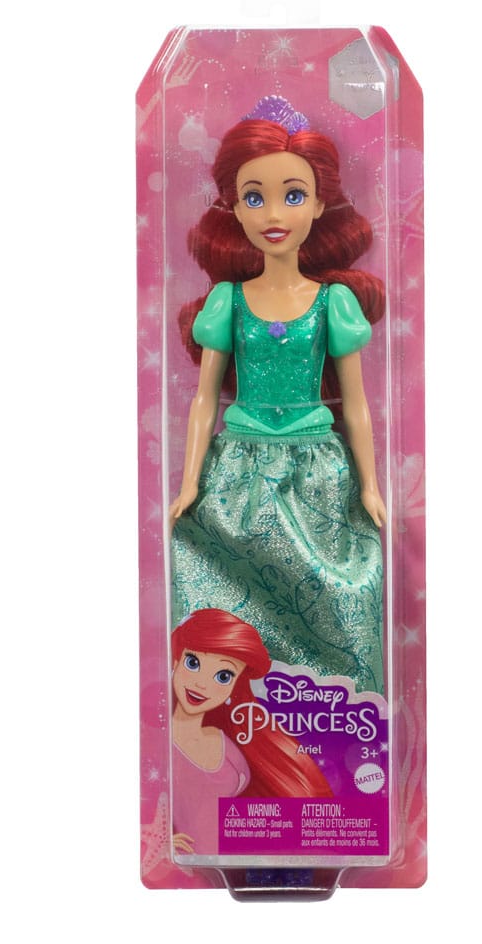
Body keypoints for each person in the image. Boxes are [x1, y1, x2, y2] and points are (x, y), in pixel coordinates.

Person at [169, 97, 386, 695]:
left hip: (317, 467)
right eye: (253, 196)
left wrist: (369, 485)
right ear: (233, 208)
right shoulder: (229, 301)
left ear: (318, 205)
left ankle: (337, 704)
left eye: (293, 195)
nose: (273, 213)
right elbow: (205, 402)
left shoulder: (333, 302)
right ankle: (242, 701)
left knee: (343, 590)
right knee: (226, 596)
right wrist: (189, 483)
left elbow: (356, 404)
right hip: (238, 469)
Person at [171, 608, 330, 856]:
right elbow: (151, 803)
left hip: (232, 858)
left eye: (223, 676)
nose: (202, 683)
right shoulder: (160, 744)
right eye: (193, 663)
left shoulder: (226, 746)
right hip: (189, 863)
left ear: (235, 685)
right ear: (175, 661)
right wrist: (160, 839)